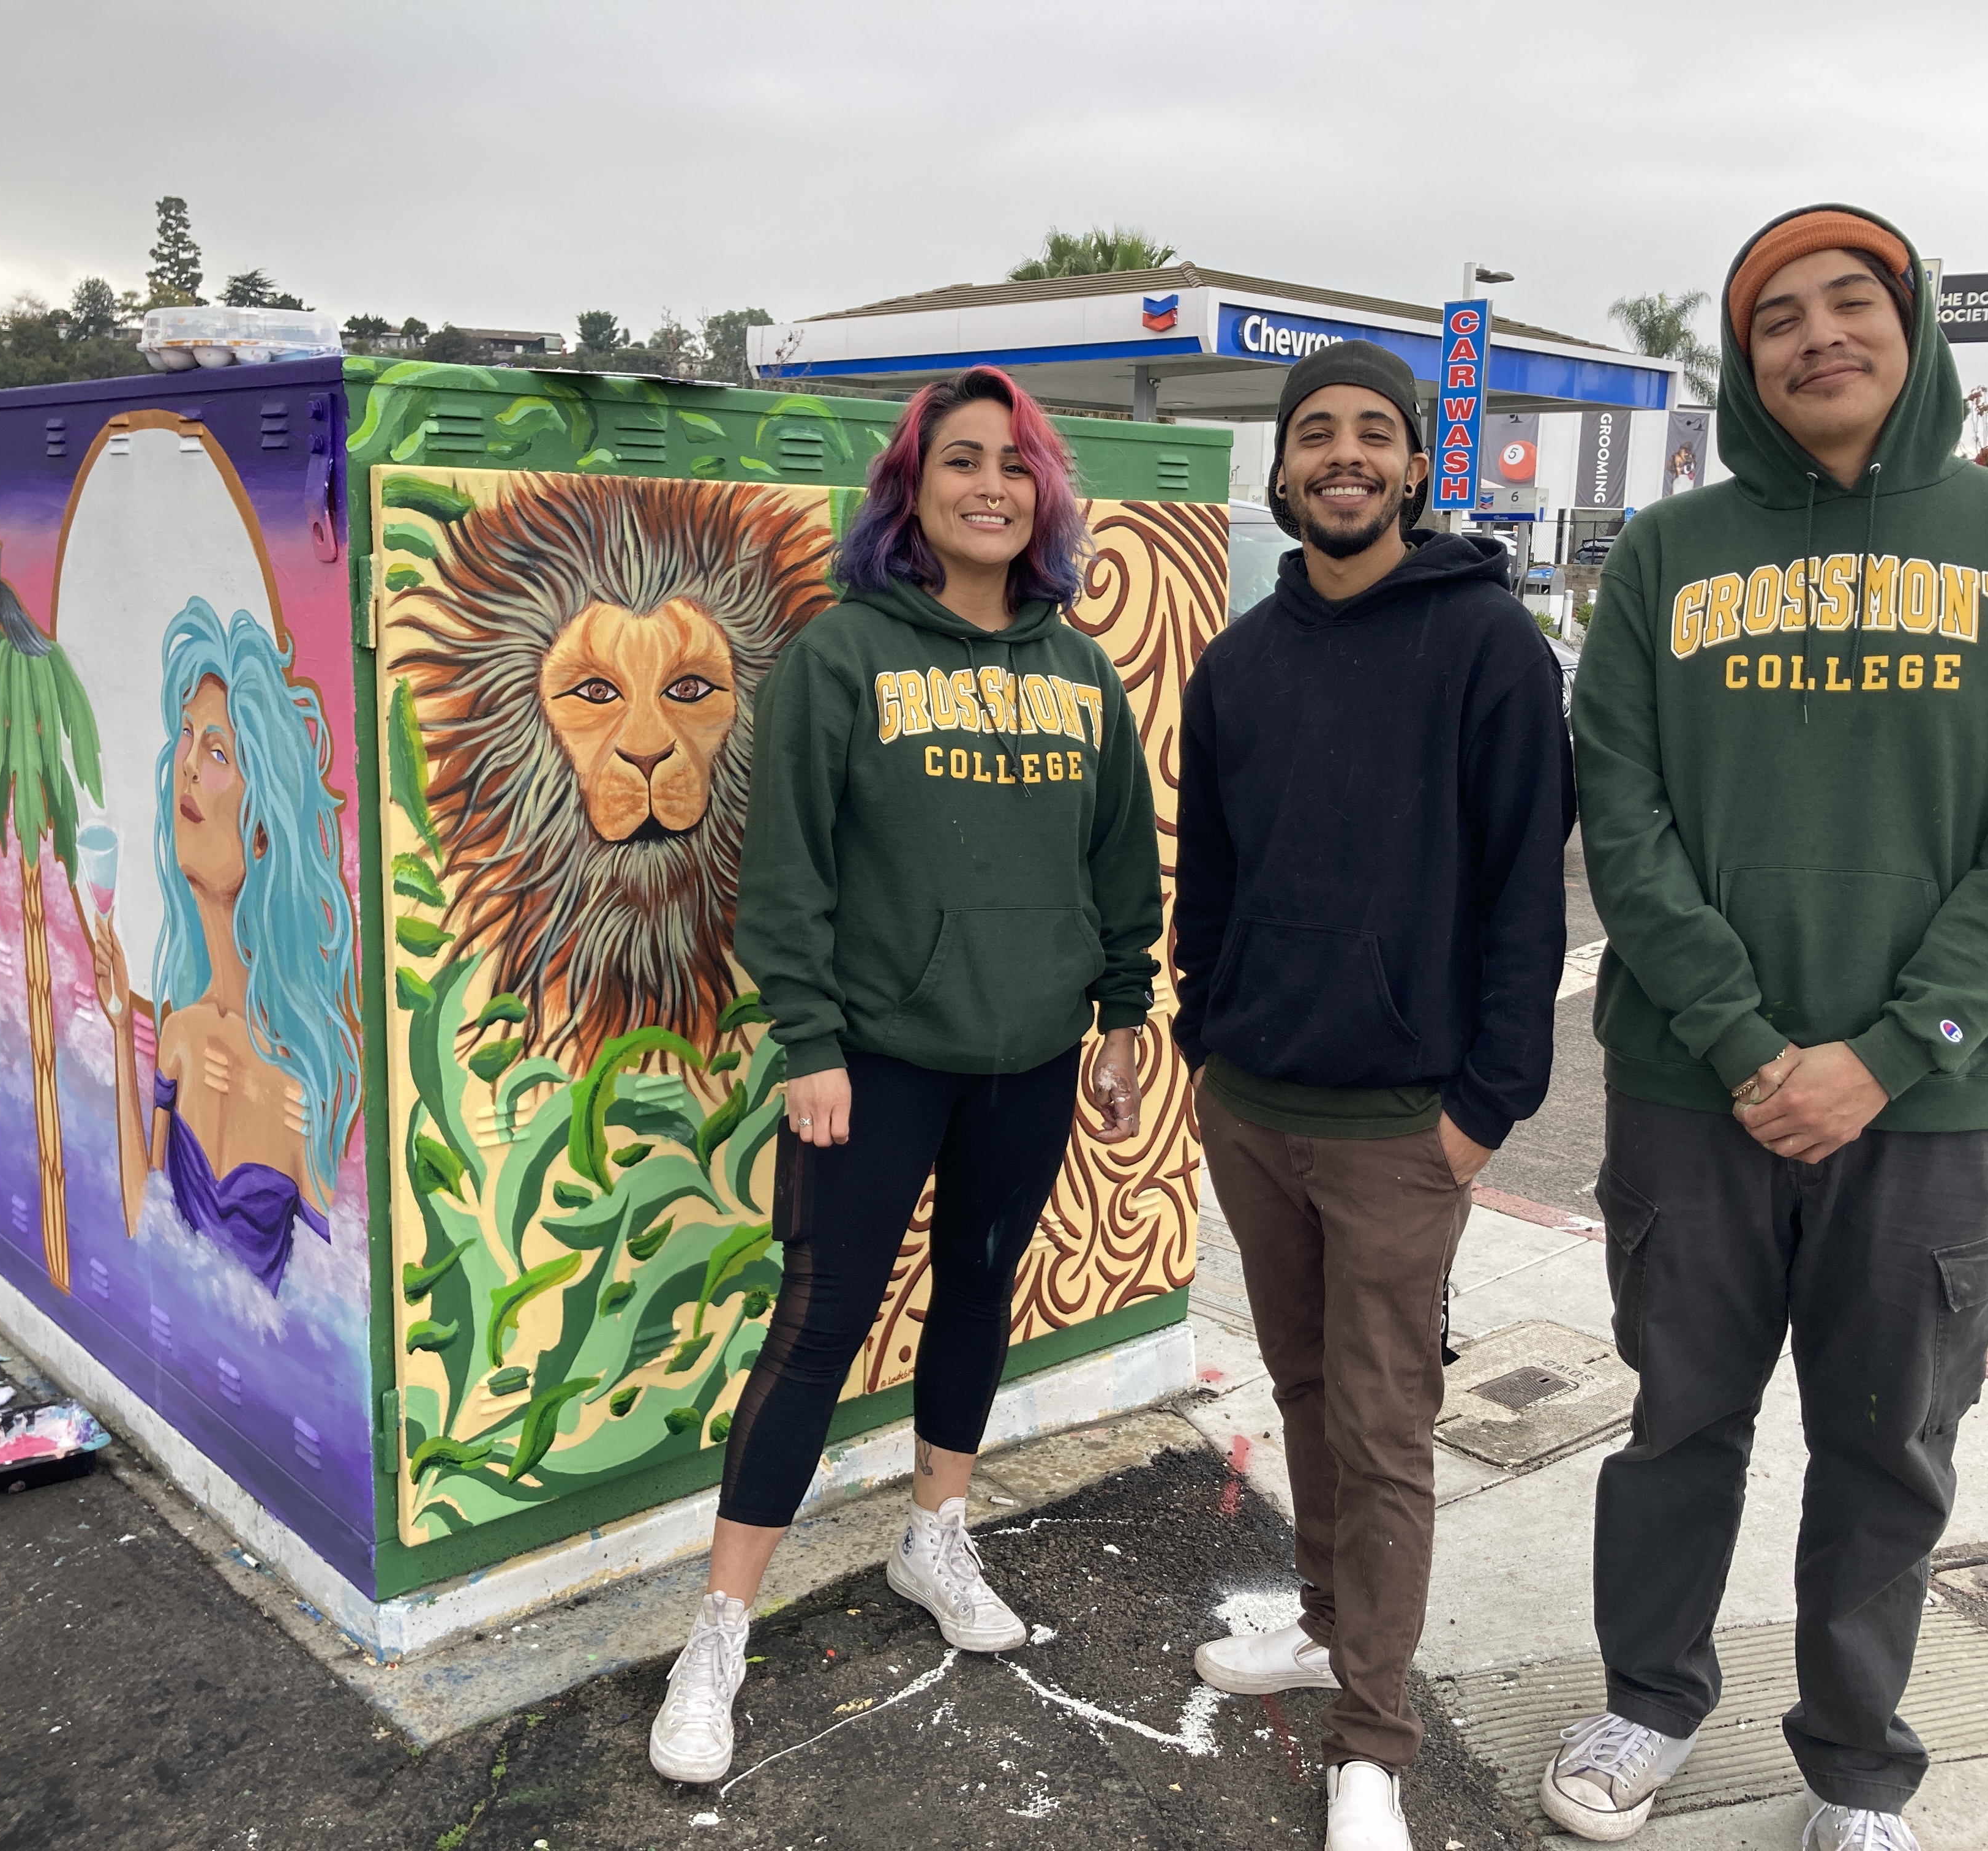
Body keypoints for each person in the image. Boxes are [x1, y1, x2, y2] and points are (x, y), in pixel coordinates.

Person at [1543, 206, 1988, 1851]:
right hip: (1690, 1094)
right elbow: (1624, 812)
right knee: (1677, 1426)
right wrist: (1741, 1042)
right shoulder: (1668, 555)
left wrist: (1890, 1050)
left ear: (1913, 323)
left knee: (1889, 1452)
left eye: (1847, 303)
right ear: (1745, 362)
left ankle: (1856, 1771)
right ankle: (1647, 1702)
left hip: (1931, 1111)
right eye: (1776, 318)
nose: (1816, 338)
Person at [646, 366, 1165, 1785]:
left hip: (1032, 1057)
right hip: (871, 1065)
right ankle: (720, 1629)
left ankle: (935, 1536)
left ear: (1043, 492)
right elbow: (786, 870)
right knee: (815, 1332)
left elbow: (1119, 855)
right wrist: (810, 1044)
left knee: (980, 1296)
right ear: (915, 492)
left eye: (1014, 464)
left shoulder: (1077, 669)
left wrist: (1124, 1008)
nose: (990, 485)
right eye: (960, 464)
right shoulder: (845, 657)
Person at [1174, 341, 1574, 1851]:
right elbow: (1207, 876)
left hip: (1406, 1127)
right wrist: (1207, 1032)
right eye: (1315, 436)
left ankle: (1372, 1745)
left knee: (1387, 1426)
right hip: (1257, 1107)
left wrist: (1486, 1107)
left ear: (1414, 467)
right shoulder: (1241, 663)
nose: (1342, 456)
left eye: (1372, 436)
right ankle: (1334, 1626)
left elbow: (1526, 897)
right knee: (1305, 1393)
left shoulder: (1487, 648)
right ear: (1282, 473)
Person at [91, 597, 361, 1291]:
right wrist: (123, 1026)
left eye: (217, 752)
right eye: (187, 737)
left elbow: (340, 1284)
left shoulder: (299, 1075)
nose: (186, 766)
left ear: (264, 831)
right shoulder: (179, 1031)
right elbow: (138, 1216)